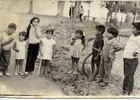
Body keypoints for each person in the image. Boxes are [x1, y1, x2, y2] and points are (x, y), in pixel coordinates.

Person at [121, 22, 140, 95]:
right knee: (128, 75)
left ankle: (125, 90)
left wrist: (137, 51)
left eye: (133, 28)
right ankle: (130, 90)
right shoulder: (132, 36)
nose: (131, 29)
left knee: (128, 75)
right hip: (126, 57)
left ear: (138, 30)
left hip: (132, 59)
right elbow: (128, 45)